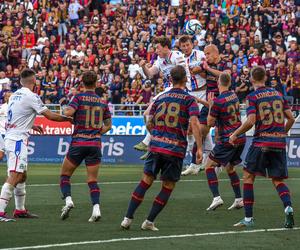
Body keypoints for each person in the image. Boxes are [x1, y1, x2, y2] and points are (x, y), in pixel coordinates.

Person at [120, 65, 202, 231]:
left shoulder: (160, 98)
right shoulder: (189, 100)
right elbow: (194, 123)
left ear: (170, 80)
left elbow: (148, 120)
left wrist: (155, 134)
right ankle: (149, 222)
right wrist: (199, 148)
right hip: (175, 149)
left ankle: (127, 219)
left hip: (156, 146)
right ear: (185, 79)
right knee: (168, 186)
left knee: (145, 182)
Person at [0, 69, 73, 222]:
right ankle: (0, 211)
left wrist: (31, 126)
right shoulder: (31, 96)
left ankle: (20, 210)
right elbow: (50, 115)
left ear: (21, 81)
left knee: (22, 175)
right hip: (17, 141)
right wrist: (68, 119)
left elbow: (17, 115)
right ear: (34, 82)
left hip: (12, 138)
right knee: (15, 175)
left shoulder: (15, 95)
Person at [229, 66, 295, 228]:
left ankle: (249, 218)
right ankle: (288, 207)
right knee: (277, 180)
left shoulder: (252, 97)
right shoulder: (279, 94)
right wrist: (282, 133)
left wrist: (235, 134)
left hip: (261, 142)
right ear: (265, 78)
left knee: (248, 177)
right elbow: (291, 119)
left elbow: (251, 121)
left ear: (251, 80)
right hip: (278, 142)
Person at [60, 70, 112, 222]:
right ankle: (96, 209)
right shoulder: (102, 102)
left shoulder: (78, 97)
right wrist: (96, 133)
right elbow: (108, 125)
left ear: (82, 83)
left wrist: (66, 108)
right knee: (92, 180)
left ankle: (68, 200)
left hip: (78, 142)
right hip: (95, 143)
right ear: (96, 83)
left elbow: (69, 112)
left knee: (65, 175)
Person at [133, 36, 191, 160]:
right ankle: (152, 144)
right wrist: (143, 66)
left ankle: (147, 142)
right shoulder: (160, 59)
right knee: (147, 115)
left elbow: (184, 75)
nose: (156, 51)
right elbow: (149, 74)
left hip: (181, 89)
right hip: (168, 90)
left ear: (165, 47)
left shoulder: (177, 56)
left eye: (158, 48)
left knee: (151, 115)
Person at [205, 72, 244, 211]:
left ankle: (216, 198)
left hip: (227, 139)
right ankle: (239, 199)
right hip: (240, 136)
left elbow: (210, 122)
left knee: (208, 166)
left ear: (218, 83)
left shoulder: (218, 101)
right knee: (230, 168)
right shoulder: (234, 96)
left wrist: (210, 105)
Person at [178, 35, 213, 176]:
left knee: (201, 127)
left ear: (192, 44)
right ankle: (207, 156)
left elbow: (206, 68)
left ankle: (198, 161)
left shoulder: (199, 54)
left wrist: (199, 69)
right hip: (190, 94)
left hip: (203, 92)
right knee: (194, 128)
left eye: (187, 45)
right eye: (183, 46)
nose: (186, 48)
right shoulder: (180, 59)